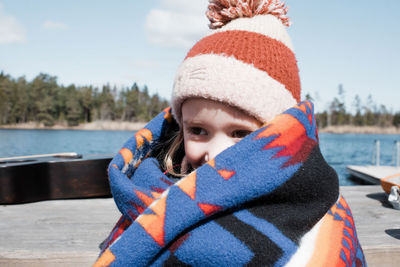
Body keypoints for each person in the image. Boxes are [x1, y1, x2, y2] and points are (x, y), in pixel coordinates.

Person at [94, 1, 365, 266]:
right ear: (180, 129)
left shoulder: (315, 210)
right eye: (198, 130)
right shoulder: (148, 191)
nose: (215, 153)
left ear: (280, 135)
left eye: (240, 133)